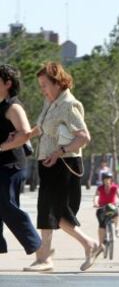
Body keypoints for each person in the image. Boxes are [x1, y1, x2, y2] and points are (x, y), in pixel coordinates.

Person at [24, 62, 101, 272]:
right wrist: (26, 135)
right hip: (48, 163)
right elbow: (42, 127)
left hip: (64, 164)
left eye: (45, 85)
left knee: (56, 213)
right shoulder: (50, 102)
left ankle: (79, 248)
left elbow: (84, 137)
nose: (43, 89)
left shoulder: (69, 104)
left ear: (57, 83)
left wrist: (60, 152)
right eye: (40, 85)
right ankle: (50, 257)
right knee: (46, 212)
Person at [0, 64, 42, 257]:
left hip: (11, 166)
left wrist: (2, 147)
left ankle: (37, 245)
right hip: (2, 164)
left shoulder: (13, 107)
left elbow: (25, 134)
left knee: (7, 205)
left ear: (7, 83)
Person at [93, 172, 119, 248]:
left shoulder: (115, 187)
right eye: (105, 179)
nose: (107, 181)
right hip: (102, 207)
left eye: (109, 179)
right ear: (103, 180)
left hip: (112, 207)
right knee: (101, 225)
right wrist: (95, 203)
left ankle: (116, 228)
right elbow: (96, 196)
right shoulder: (100, 188)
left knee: (116, 211)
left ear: (111, 180)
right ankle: (100, 244)